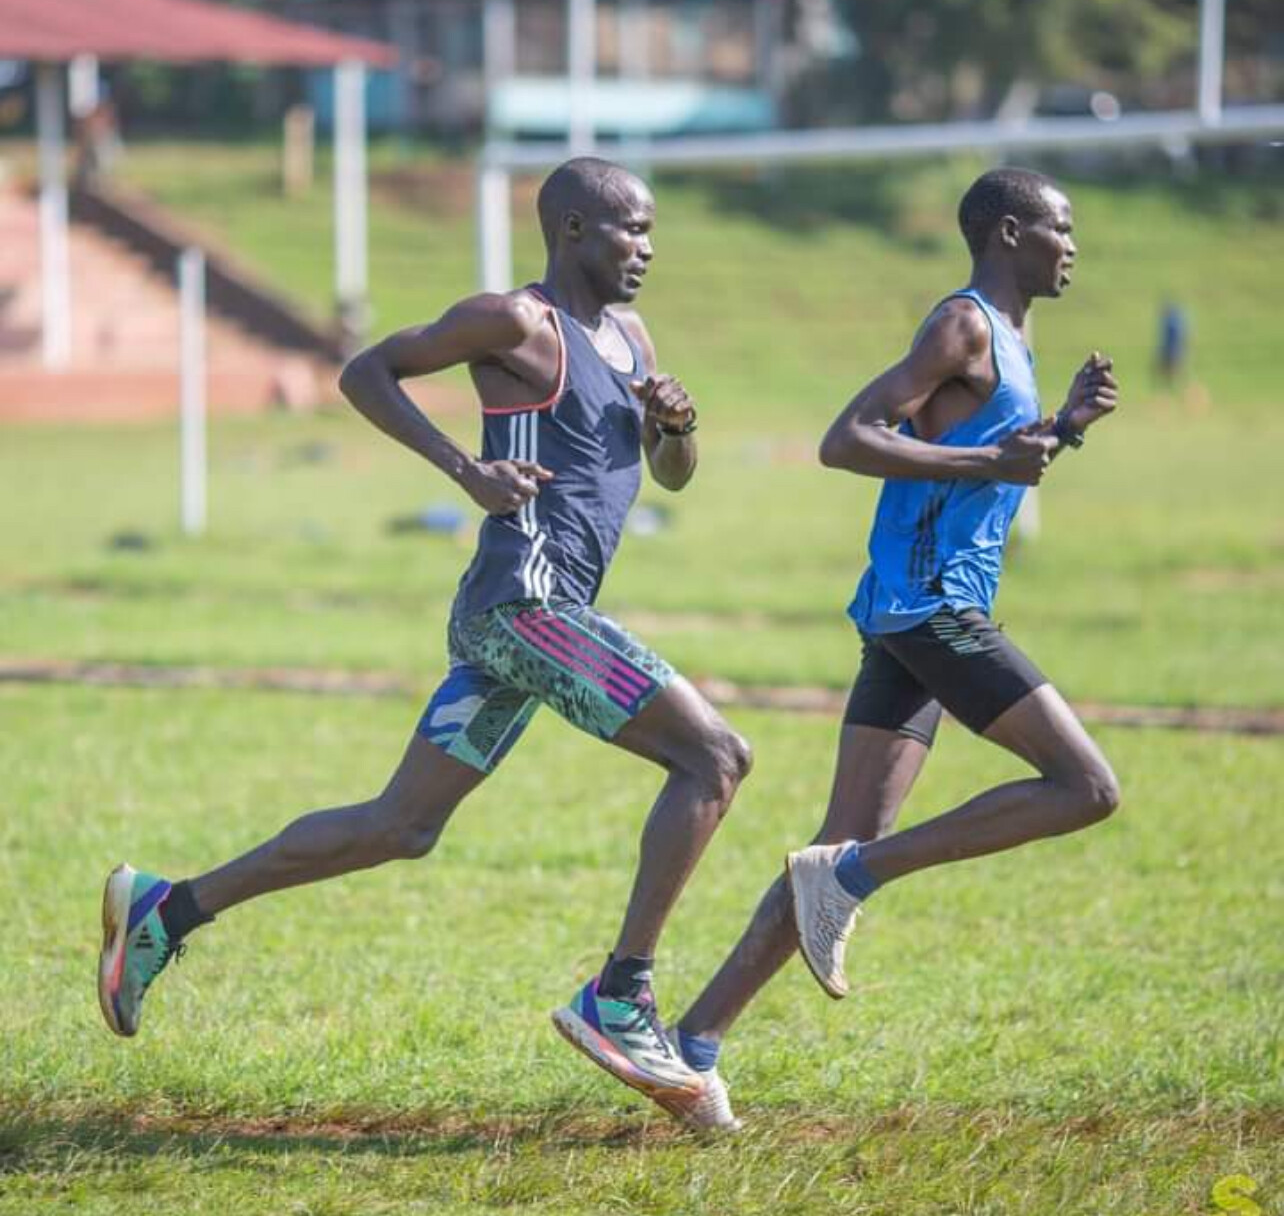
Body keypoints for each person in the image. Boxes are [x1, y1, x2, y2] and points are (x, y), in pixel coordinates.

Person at [97, 157, 751, 1111]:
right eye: (631, 230)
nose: (647, 248)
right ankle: (621, 996)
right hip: (526, 608)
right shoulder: (516, 321)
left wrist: (676, 427)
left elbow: (673, 474)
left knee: (401, 825)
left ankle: (168, 908)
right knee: (715, 757)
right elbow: (364, 371)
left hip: (520, 623)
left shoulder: (632, 337)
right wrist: (463, 469)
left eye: (652, 231)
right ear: (572, 230)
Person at [594, 166, 1123, 1132]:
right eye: (1060, 227)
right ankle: (852, 878)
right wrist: (993, 457)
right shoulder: (962, 325)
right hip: (929, 608)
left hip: (917, 609)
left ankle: (696, 1045)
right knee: (1086, 787)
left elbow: (987, 462)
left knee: (837, 841)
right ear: (1009, 233)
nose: (1073, 246)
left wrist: (1064, 431)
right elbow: (846, 438)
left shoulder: (1012, 339)